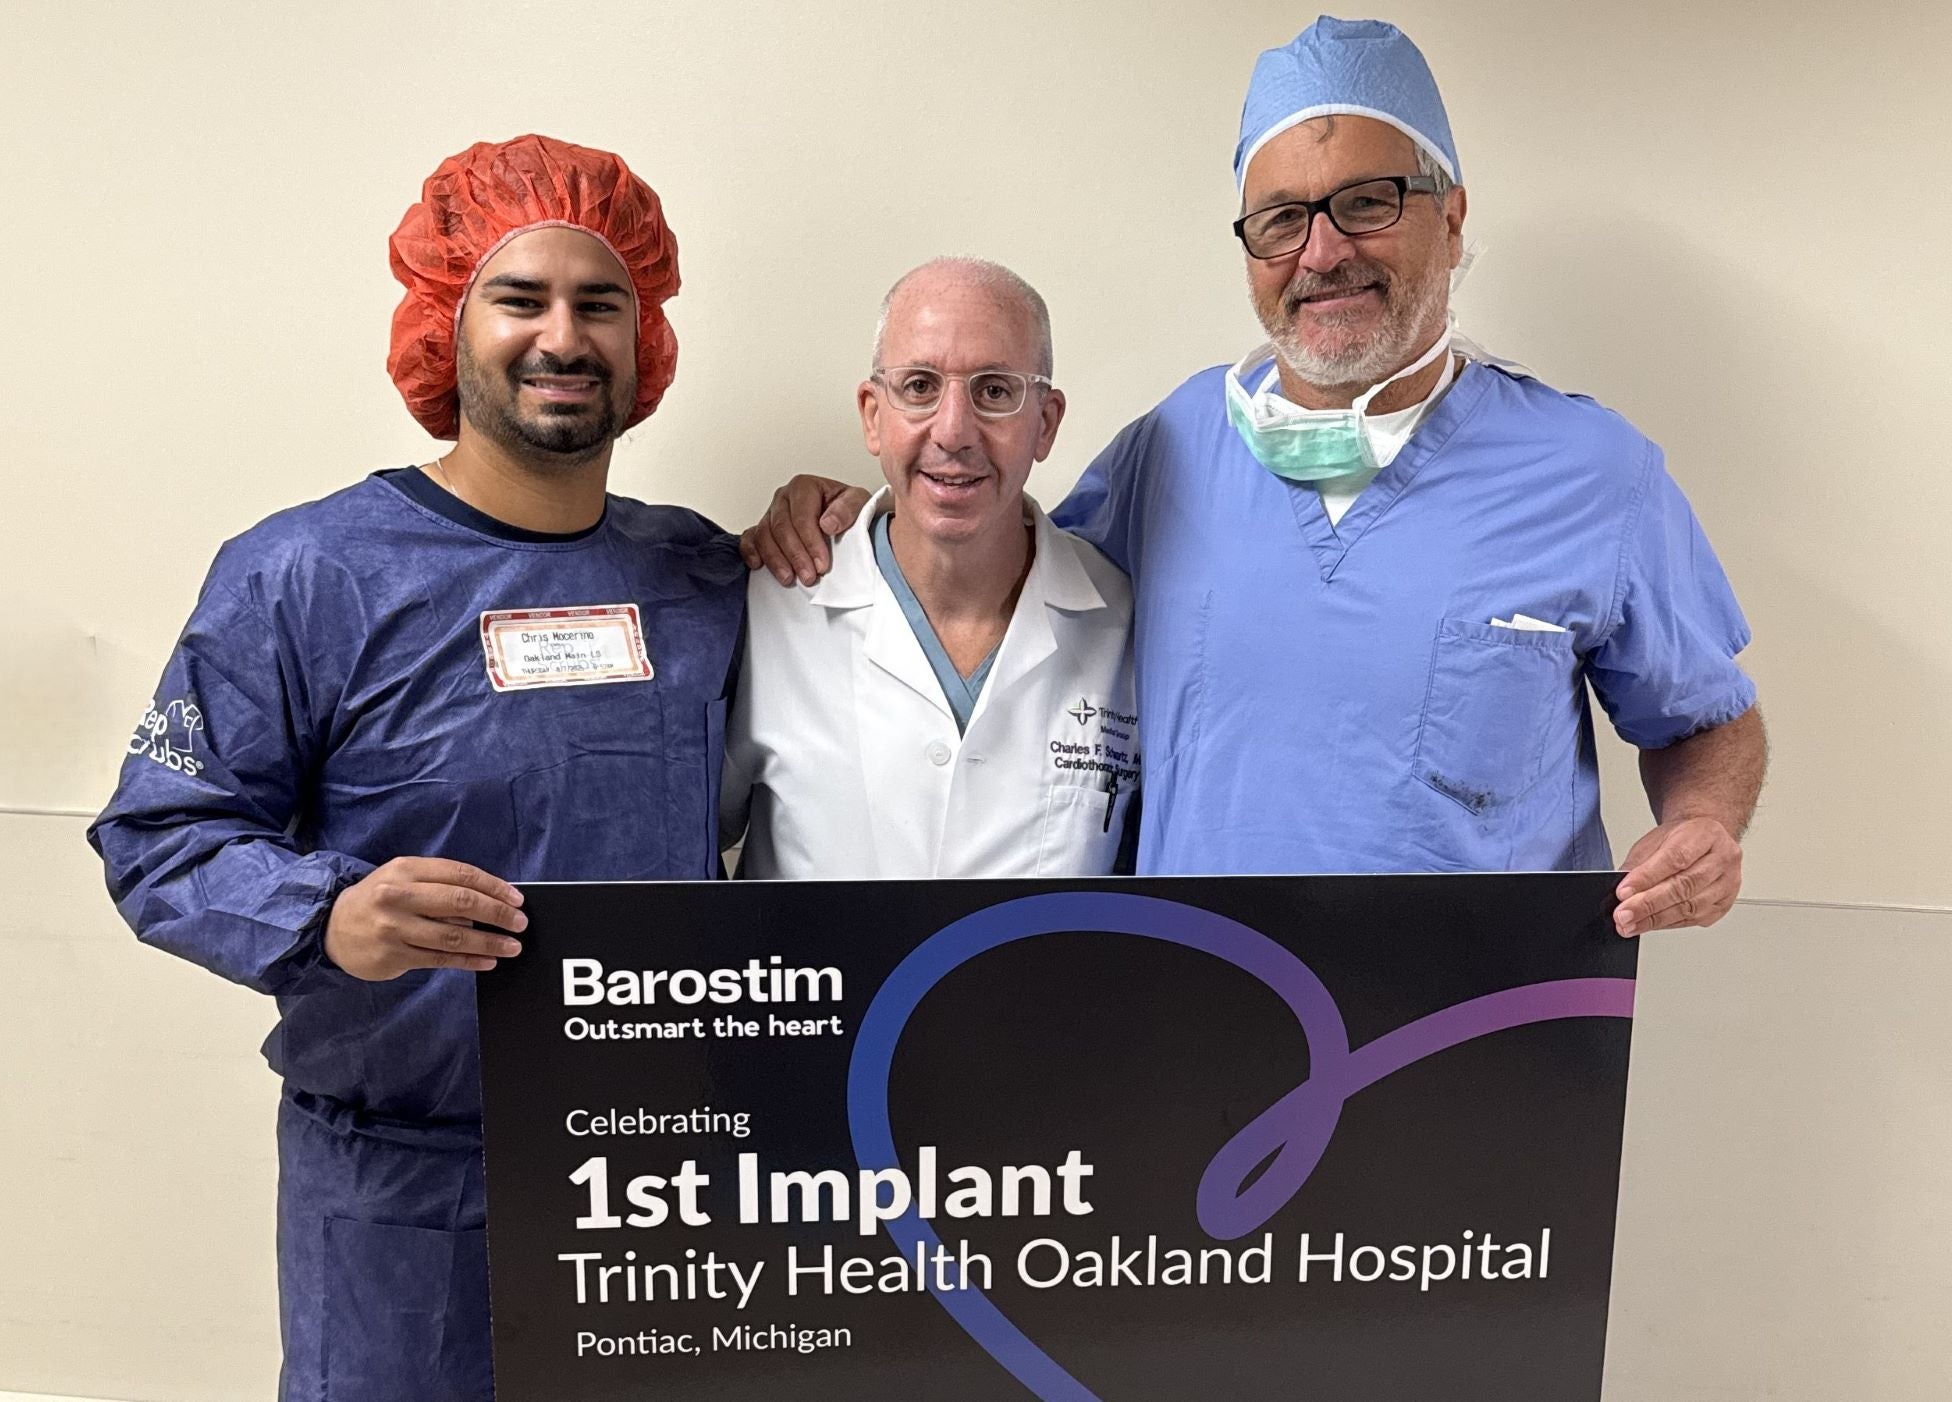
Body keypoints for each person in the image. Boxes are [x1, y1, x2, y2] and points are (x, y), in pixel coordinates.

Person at [740, 17, 1766, 936]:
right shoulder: (1173, 450)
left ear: (1450, 218)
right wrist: (858, 518)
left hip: (1475, 1031)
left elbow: (1707, 719)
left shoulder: (1592, 475)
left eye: (1366, 202)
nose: (1321, 251)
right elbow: (1000, 562)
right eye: (1280, 219)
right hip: (1198, 1029)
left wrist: (1705, 824)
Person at [88, 134, 744, 1400]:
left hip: (654, 1187)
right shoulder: (306, 575)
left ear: (646, 337)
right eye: (519, 298)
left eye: (600, 303)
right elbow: (157, 836)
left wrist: (833, 521)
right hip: (401, 1198)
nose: (562, 336)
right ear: (447, 323)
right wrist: (325, 914)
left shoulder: (701, 576)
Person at [722, 257, 1137, 877]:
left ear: (1045, 424)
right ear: (873, 415)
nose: (953, 431)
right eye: (919, 386)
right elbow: (681, 841)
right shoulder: (767, 607)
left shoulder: (1124, 622)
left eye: (995, 391)